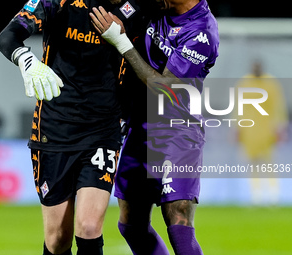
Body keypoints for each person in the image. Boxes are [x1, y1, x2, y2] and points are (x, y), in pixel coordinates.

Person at [0, 0, 145, 254]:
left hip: (103, 128)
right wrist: (25, 59)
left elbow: (141, 66)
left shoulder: (138, 8)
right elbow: (8, 36)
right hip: (54, 128)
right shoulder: (58, 1)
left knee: (88, 227)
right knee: (58, 239)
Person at [90, 0, 219, 254]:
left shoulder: (201, 32)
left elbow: (165, 89)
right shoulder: (157, 6)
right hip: (139, 126)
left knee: (178, 217)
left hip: (178, 130)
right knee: (131, 224)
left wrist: (123, 44)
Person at [235, 60, 288, 206]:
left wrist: (279, 128)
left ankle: (273, 196)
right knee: (253, 165)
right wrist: (237, 128)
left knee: (269, 164)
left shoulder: (270, 83)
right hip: (249, 132)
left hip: (267, 130)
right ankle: (256, 196)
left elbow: (278, 107)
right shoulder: (245, 83)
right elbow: (237, 107)